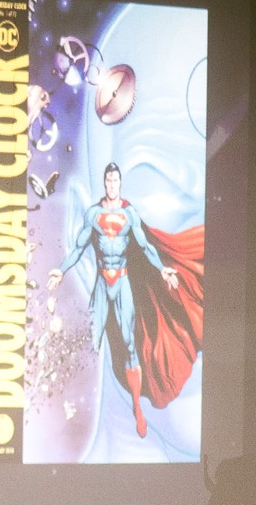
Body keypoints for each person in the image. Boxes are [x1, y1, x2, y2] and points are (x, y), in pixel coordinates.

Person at [45, 162, 202, 438]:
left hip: (123, 282)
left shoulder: (129, 214)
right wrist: (61, 269)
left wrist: (163, 269)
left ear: (119, 183)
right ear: (105, 183)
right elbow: (80, 247)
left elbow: (145, 246)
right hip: (102, 285)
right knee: (91, 342)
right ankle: (69, 410)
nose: (112, 185)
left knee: (130, 345)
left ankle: (137, 409)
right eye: (109, 180)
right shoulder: (94, 214)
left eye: (115, 180)